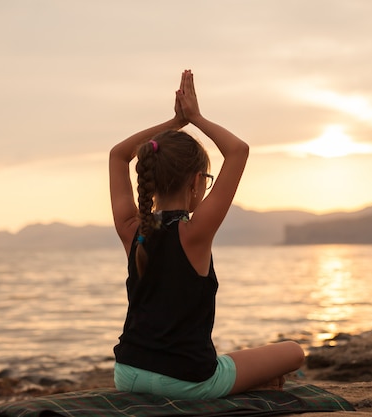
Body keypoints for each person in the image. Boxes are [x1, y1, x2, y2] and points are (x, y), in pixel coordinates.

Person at [109, 70, 305, 399]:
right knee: (294, 352)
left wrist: (174, 124)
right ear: (197, 183)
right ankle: (248, 382)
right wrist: (195, 117)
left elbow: (117, 154)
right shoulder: (194, 232)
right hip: (188, 382)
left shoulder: (132, 230)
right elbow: (238, 150)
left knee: (229, 362)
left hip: (128, 373)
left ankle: (245, 378)